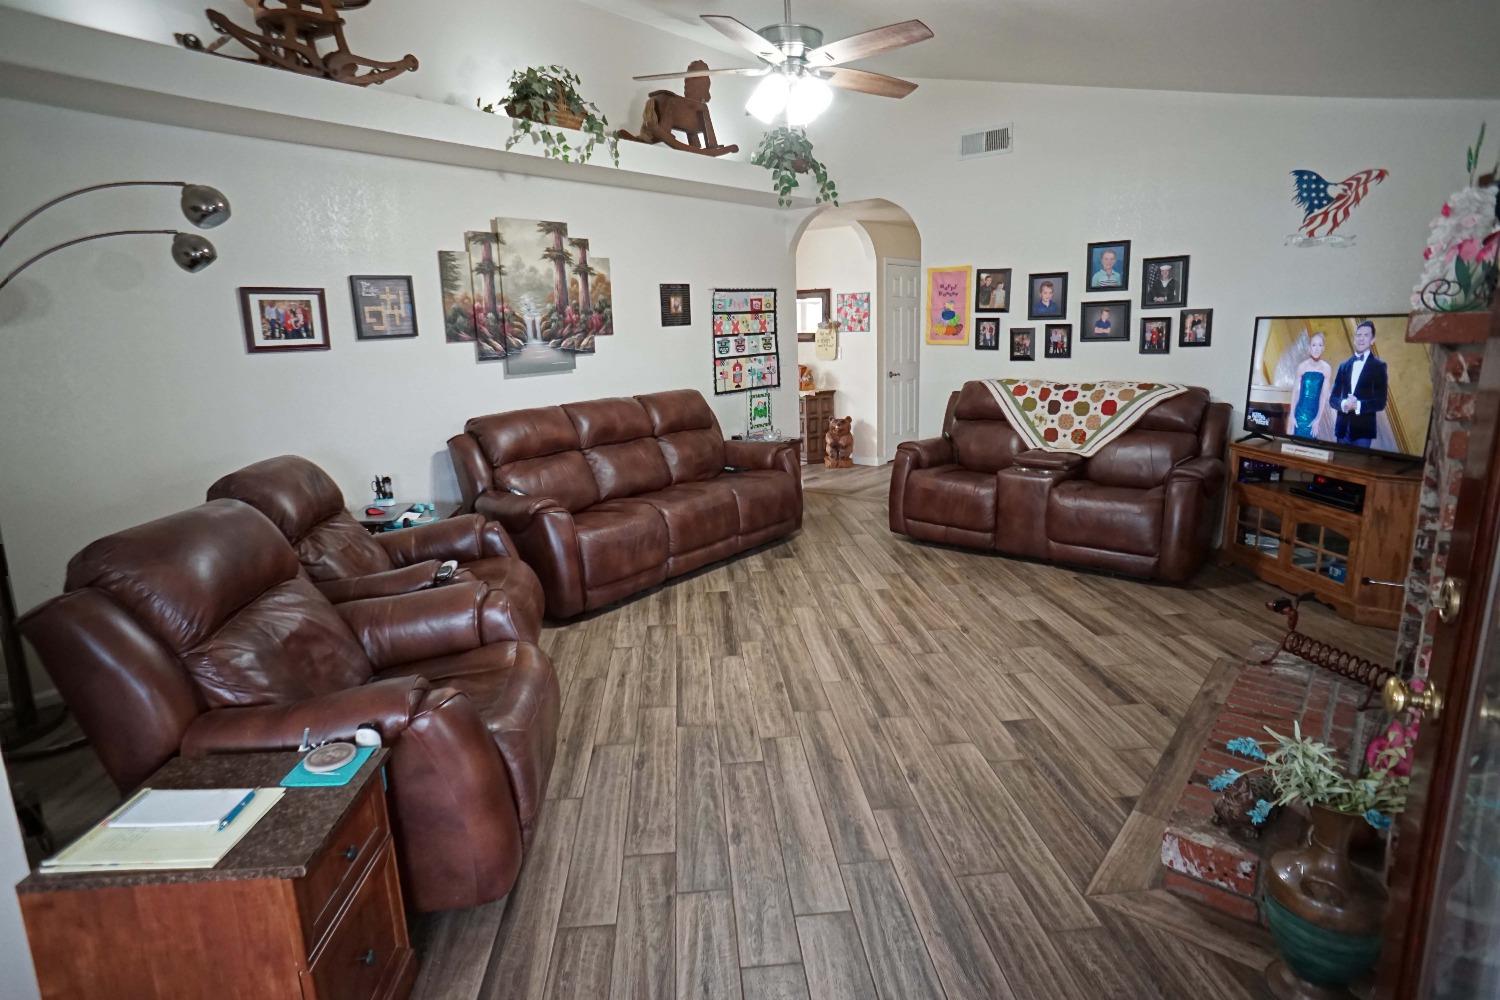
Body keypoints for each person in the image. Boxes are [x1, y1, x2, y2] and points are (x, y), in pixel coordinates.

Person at [1328, 320, 1388, 448]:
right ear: (1354, 338)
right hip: (1342, 431)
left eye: (1366, 335)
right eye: (1358, 335)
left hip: (1363, 433)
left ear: (1372, 340)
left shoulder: (1379, 366)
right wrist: (1344, 404)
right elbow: (1333, 399)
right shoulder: (1343, 366)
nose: (1361, 339)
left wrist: (1358, 405)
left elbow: (1380, 402)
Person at [1288, 330, 1334, 441]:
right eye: (1314, 345)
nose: (1317, 348)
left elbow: (1323, 396)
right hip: (1299, 413)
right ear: (1309, 347)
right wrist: (1292, 415)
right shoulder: (1302, 367)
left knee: (1309, 446)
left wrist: (1318, 419)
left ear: (1323, 348)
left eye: (1320, 345)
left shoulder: (1326, 368)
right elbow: (1295, 393)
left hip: (1314, 414)